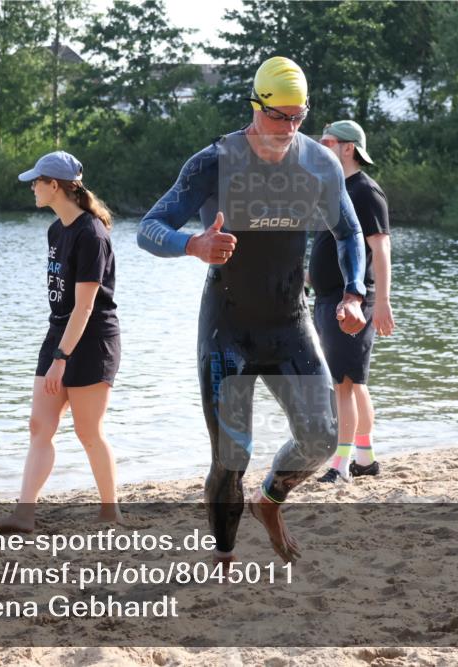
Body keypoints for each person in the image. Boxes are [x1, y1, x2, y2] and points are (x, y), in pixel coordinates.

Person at [137, 56, 367, 564]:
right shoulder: (214, 162)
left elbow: (348, 232)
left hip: (290, 322)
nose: (288, 128)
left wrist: (353, 292)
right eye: (278, 116)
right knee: (230, 455)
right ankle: (223, 556)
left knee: (322, 437)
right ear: (255, 106)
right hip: (228, 326)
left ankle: (271, 501)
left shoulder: (319, 164)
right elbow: (149, 228)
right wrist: (192, 245)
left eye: (298, 117)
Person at [0, 151, 122, 532]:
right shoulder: (55, 230)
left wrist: (61, 358)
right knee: (38, 426)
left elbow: (86, 307)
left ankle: (111, 510)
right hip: (58, 333)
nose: (33, 187)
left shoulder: (92, 235)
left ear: (55, 186)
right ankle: (24, 514)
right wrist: (56, 351)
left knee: (87, 431)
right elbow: (64, 307)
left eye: (37, 181)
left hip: (92, 339)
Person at [311, 120, 395, 483]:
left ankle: (340, 464)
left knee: (343, 382)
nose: (320, 146)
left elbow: (381, 247)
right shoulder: (333, 188)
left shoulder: (365, 191)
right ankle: (365, 458)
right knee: (354, 381)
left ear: (348, 148)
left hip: (353, 300)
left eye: (327, 141)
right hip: (328, 296)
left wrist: (382, 302)